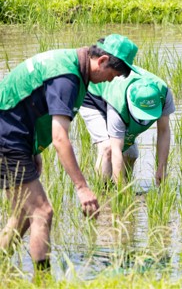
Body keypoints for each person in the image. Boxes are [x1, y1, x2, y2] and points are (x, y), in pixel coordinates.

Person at [0, 34, 138, 272]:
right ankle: (43, 282)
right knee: (42, 212)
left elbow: (26, 103)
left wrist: (32, 150)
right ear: (102, 60)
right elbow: (60, 137)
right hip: (7, 139)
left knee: (22, 214)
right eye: (111, 75)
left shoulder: (69, 63)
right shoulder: (68, 77)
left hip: (14, 136)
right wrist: (82, 187)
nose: (108, 82)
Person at [80, 67, 175, 185]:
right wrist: (121, 192)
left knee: (131, 154)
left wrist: (162, 167)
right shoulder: (118, 105)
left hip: (116, 92)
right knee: (107, 148)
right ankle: (103, 193)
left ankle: (126, 185)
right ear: (131, 103)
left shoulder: (164, 94)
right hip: (93, 95)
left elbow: (164, 131)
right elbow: (116, 149)